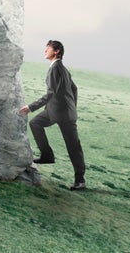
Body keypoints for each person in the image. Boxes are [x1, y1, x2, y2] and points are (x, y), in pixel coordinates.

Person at [19, 40, 86, 190]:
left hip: (64, 115)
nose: (45, 51)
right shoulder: (62, 68)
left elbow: (51, 93)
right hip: (55, 111)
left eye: (47, 49)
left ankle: (80, 180)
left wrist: (31, 107)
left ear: (56, 51)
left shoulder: (56, 69)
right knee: (35, 123)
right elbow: (74, 89)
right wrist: (71, 107)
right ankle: (47, 155)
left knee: (73, 147)